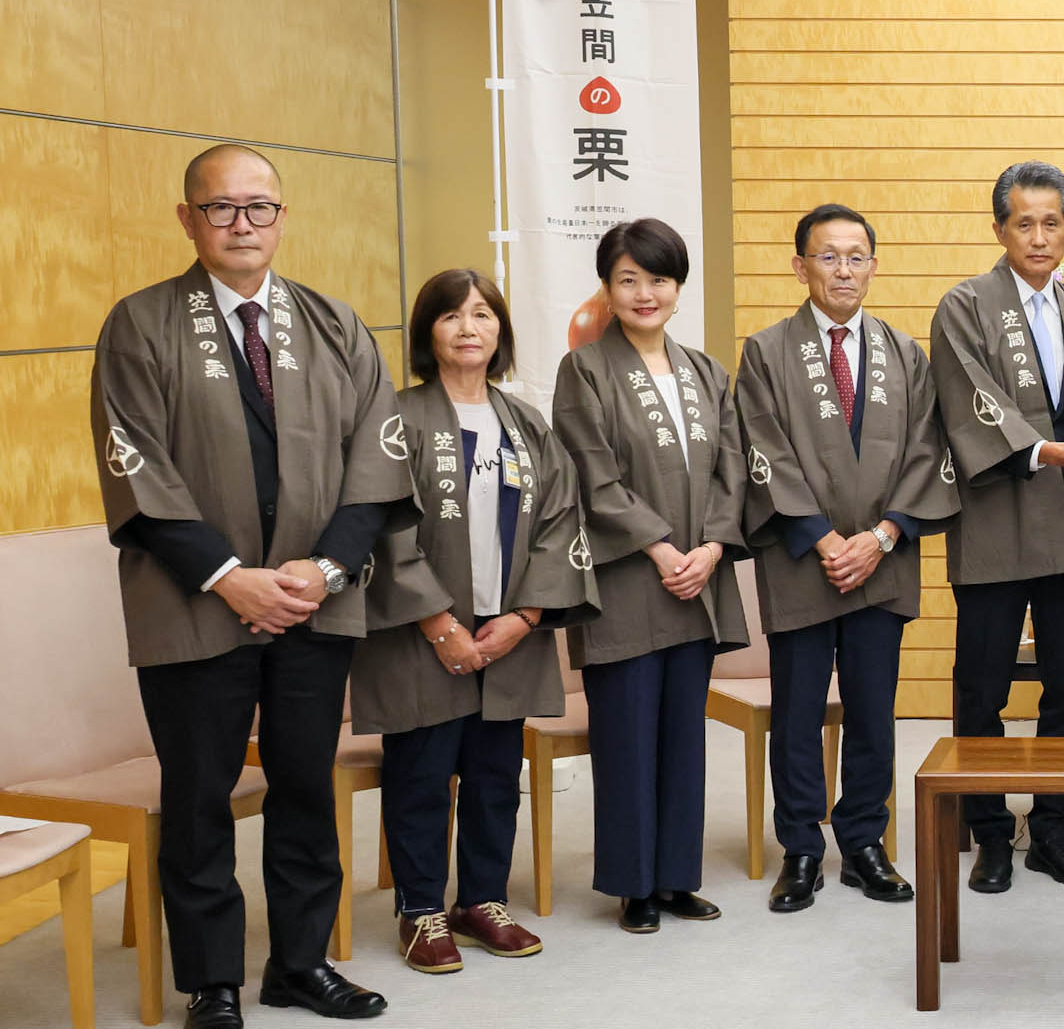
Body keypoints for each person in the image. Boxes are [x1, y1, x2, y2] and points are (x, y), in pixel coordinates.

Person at [90, 143, 412, 1029]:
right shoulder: (141, 324)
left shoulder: (334, 323)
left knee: (307, 784)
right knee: (199, 793)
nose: (243, 224)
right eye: (222, 208)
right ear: (187, 219)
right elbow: (135, 467)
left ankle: (299, 962)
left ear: (282, 216)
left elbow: (379, 459)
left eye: (259, 207)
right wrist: (232, 578)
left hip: (314, 603)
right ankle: (211, 982)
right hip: (195, 604)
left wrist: (325, 570)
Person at [347, 271, 597, 973]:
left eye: (483, 315)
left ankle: (482, 898)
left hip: (507, 627)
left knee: (494, 773)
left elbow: (560, 521)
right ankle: (420, 909)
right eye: (452, 315)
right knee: (422, 771)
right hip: (424, 627)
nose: (469, 328)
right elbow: (381, 528)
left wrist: (525, 617)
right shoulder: (395, 418)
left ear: (500, 332)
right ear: (429, 331)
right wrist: (437, 623)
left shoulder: (526, 423)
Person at [738, 204, 958, 912]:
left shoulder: (903, 352)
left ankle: (865, 841)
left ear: (873, 264)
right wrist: (827, 539)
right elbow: (761, 452)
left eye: (856, 256)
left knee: (873, 710)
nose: (843, 270)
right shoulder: (767, 351)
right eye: (827, 256)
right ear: (799, 265)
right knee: (798, 712)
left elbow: (929, 450)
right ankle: (800, 848)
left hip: (883, 557)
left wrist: (884, 535)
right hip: (804, 558)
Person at [931, 162, 1064, 893]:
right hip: (995, 523)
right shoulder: (965, 305)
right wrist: (1046, 449)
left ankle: (1050, 829)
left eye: (1052, 223)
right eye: (1024, 223)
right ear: (999, 229)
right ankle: (989, 833)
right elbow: (967, 400)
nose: (1039, 236)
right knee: (982, 689)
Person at [552, 219, 749, 934]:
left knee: (681, 737)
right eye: (628, 278)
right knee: (628, 736)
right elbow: (591, 477)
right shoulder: (585, 369)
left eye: (658, 279)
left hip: (699, 578)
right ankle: (633, 883)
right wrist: (665, 550)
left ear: (678, 287)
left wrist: (714, 549)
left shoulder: (704, 370)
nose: (644, 293)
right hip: (630, 580)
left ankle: (674, 877)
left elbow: (734, 469)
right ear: (607, 286)